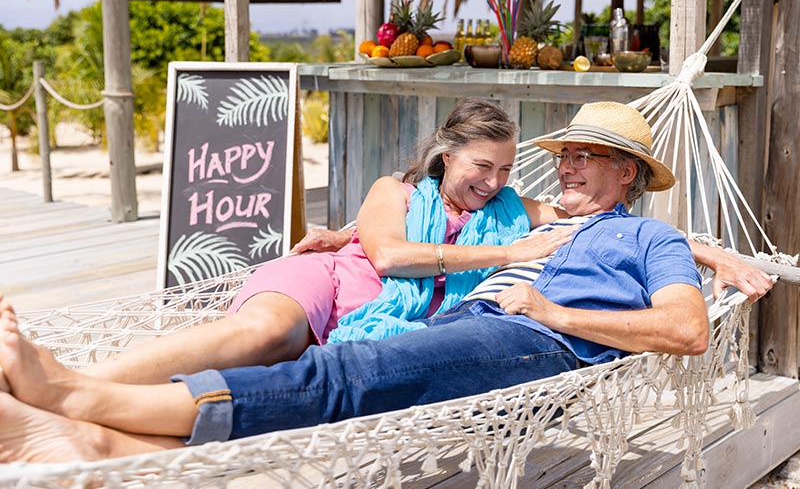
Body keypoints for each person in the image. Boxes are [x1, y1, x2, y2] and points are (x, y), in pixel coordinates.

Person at [0, 101, 775, 463]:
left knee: (346, 374)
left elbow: (687, 329)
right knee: (342, 388)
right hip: (466, 324)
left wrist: (553, 305)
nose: (562, 163)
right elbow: (400, 242)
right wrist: (346, 235)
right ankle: (101, 439)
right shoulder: (557, 221)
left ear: (629, 173)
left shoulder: (647, 233)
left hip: (531, 342)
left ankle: (73, 396)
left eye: (584, 154)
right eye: (564, 151)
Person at [62, 98, 575, 385]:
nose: (493, 182)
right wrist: (508, 253)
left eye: (505, 170)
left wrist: (605, 177)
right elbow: (390, 256)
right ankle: (81, 381)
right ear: (447, 159)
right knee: (264, 335)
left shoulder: (509, 208)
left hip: (380, 330)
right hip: (325, 282)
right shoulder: (394, 192)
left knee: (274, 377)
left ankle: (90, 405)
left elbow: (580, 215)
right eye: (481, 166)